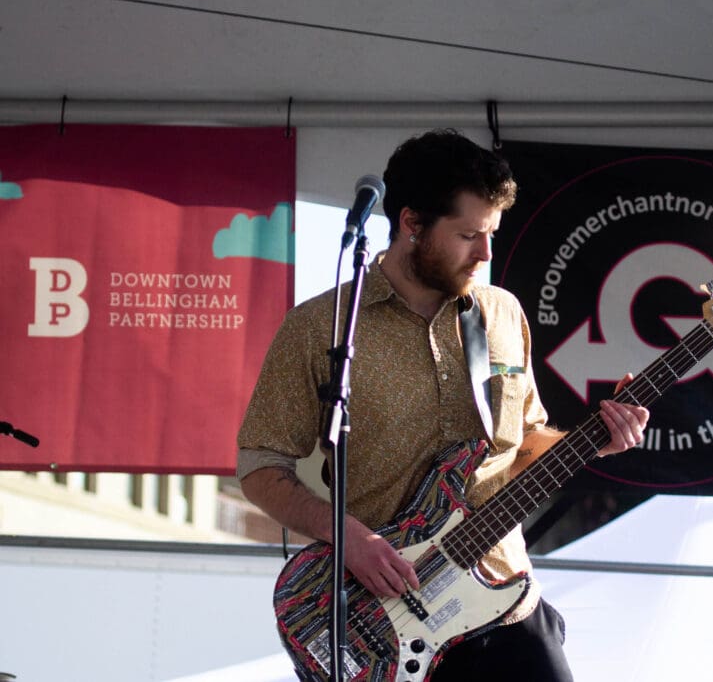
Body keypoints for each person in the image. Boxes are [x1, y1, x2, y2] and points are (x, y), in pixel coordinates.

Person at [237, 128, 649, 681]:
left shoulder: (501, 314)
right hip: (383, 620)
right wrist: (348, 537)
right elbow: (261, 466)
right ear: (412, 224)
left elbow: (526, 443)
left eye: (492, 234)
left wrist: (599, 436)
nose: (486, 253)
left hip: (503, 600)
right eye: (469, 235)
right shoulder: (322, 327)